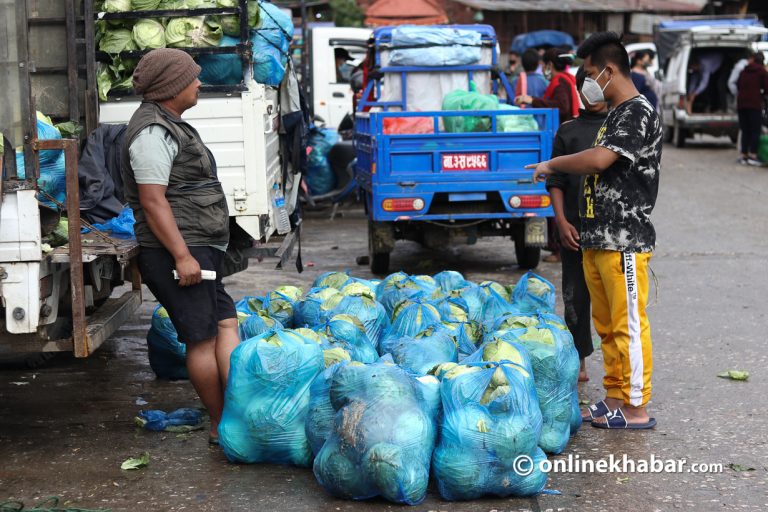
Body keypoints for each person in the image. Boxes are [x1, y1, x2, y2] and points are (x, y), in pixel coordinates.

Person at [528, 32, 660, 430]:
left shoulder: (637, 111)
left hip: (624, 239)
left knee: (628, 326)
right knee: (606, 327)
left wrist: (553, 164)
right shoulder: (615, 114)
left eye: (588, 73)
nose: (586, 81)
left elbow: (600, 160)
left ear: (609, 70)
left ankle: (636, 407)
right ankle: (615, 397)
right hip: (597, 238)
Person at [122, 48, 240, 445]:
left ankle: (238, 414)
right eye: (193, 77)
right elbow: (153, 202)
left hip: (198, 245)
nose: (199, 83)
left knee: (225, 322)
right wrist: (182, 256)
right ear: (173, 87)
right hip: (178, 251)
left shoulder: (171, 124)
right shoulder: (152, 133)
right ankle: (220, 425)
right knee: (201, 338)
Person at [546, 67, 608, 383]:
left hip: (610, 230)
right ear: (579, 89)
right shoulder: (567, 130)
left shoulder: (618, 127)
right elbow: (555, 179)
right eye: (588, 84)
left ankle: (619, 367)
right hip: (575, 229)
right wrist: (561, 221)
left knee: (612, 301)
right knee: (575, 297)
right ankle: (579, 358)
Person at [515, 47, 580, 124]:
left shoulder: (560, 82)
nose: (542, 70)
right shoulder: (566, 78)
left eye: (543, 65)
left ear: (549, 65)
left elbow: (561, 106)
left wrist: (532, 100)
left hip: (566, 130)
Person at [735, 51, 768, 166]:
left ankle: (744, 155)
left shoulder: (744, 71)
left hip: (741, 104)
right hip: (754, 105)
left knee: (745, 130)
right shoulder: (761, 71)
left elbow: (738, 85)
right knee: (755, 130)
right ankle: (753, 155)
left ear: (753, 59)